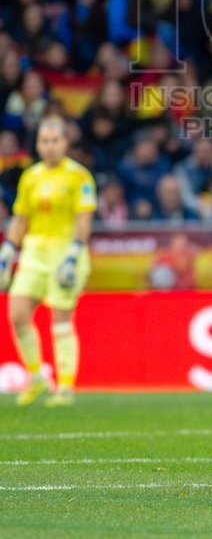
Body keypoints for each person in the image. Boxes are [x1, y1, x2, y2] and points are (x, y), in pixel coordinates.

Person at [0, 116, 96, 406]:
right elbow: (21, 218)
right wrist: (8, 249)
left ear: (65, 142)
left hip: (65, 254)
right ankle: (37, 377)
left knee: (61, 321)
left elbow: (84, 220)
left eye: (55, 140)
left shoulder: (78, 176)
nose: (50, 146)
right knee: (17, 315)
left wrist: (74, 254)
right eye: (45, 141)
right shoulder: (31, 176)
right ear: (38, 144)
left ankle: (65, 388)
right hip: (34, 254)